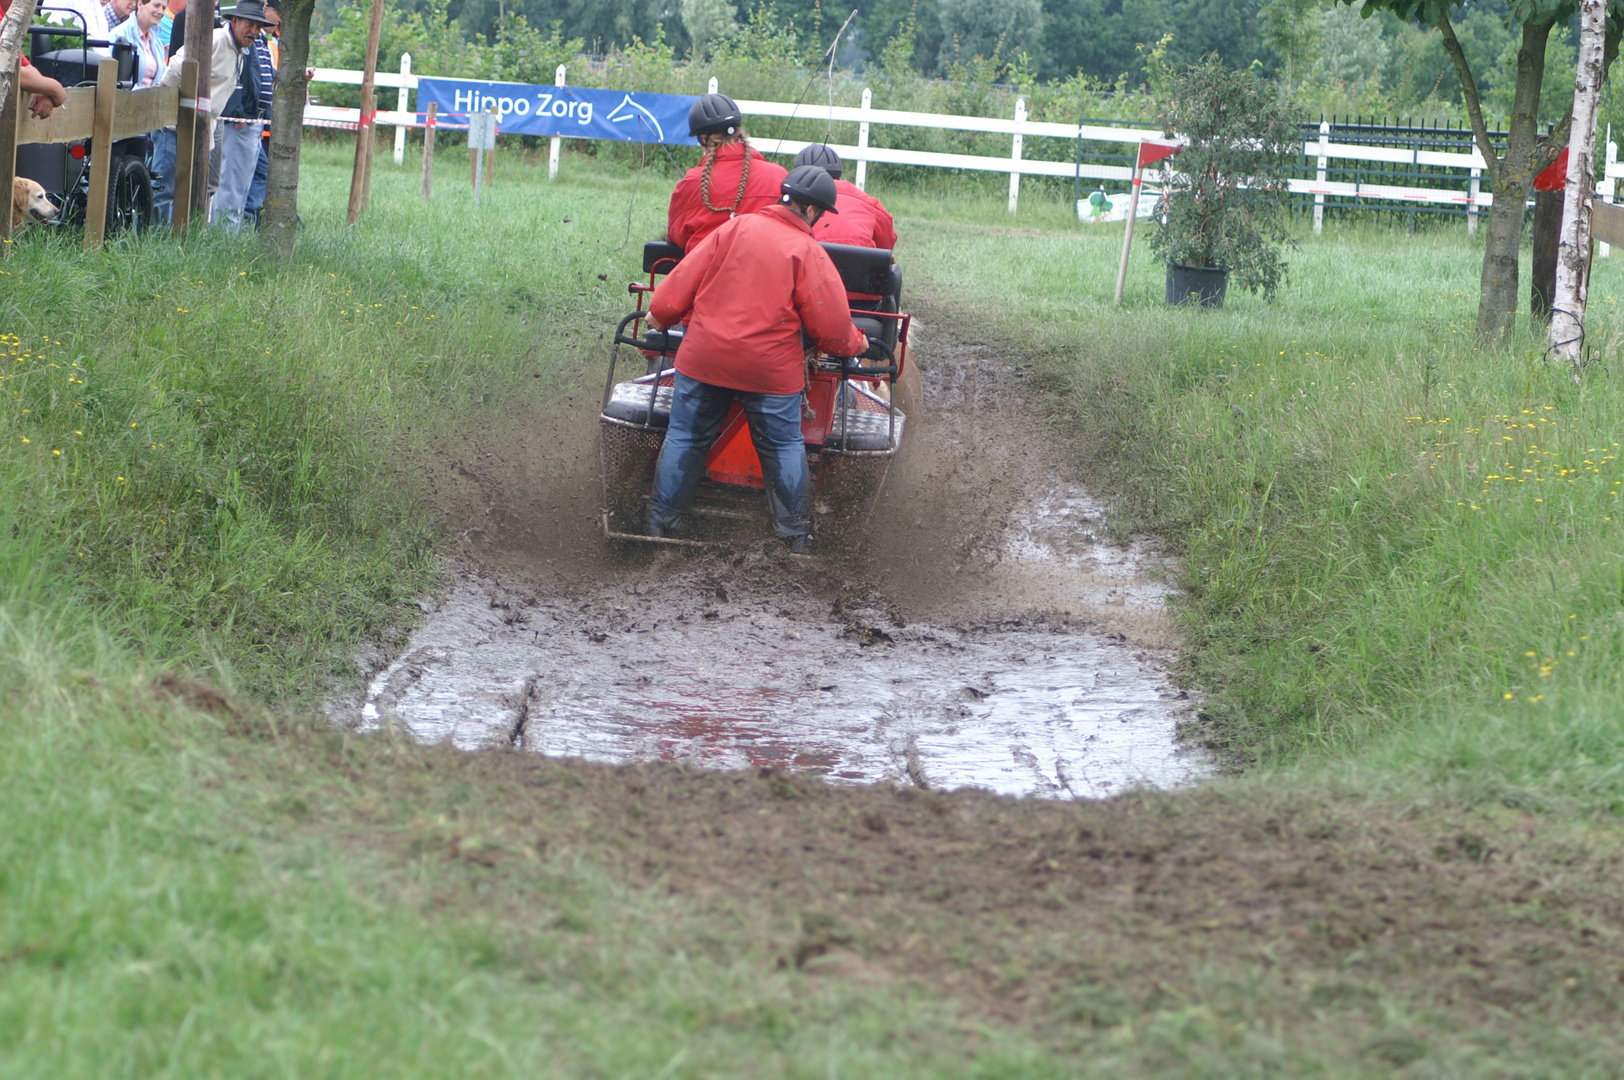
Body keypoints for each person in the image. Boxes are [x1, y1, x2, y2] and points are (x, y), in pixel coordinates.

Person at [644, 165, 873, 553]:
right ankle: (793, 538)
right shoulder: (807, 251)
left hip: (704, 359)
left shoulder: (734, 228)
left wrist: (660, 313)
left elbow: (681, 282)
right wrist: (857, 344)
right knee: (785, 444)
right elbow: (831, 329)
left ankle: (659, 529)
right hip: (768, 372)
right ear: (814, 212)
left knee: (684, 436)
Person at [159, 0, 271, 231]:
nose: (254, 32)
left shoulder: (241, 49)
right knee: (166, 187)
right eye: (249, 24)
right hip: (177, 123)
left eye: (258, 27)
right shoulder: (217, 39)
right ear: (236, 21)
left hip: (206, 125)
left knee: (204, 185)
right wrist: (164, 98)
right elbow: (180, 63)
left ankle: (188, 235)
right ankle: (156, 238)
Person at [666, 92, 787, 252]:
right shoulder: (778, 175)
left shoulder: (691, 182)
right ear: (739, 130)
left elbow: (677, 236)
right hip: (764, 273)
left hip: (707, 275)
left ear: (702, 139)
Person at [792, 144, 897, 251]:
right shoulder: (868, 203)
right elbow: (887, 244)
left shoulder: (792, 202)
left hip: (811, 258)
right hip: (858, 264)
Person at [241, 0, 277, 226]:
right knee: (254, 172)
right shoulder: (252, 42)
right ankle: (249, 218)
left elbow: (267, 74)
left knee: (259, 170)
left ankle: (251, 217)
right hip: (245, 118)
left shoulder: (264, 41)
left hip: (258, 119)